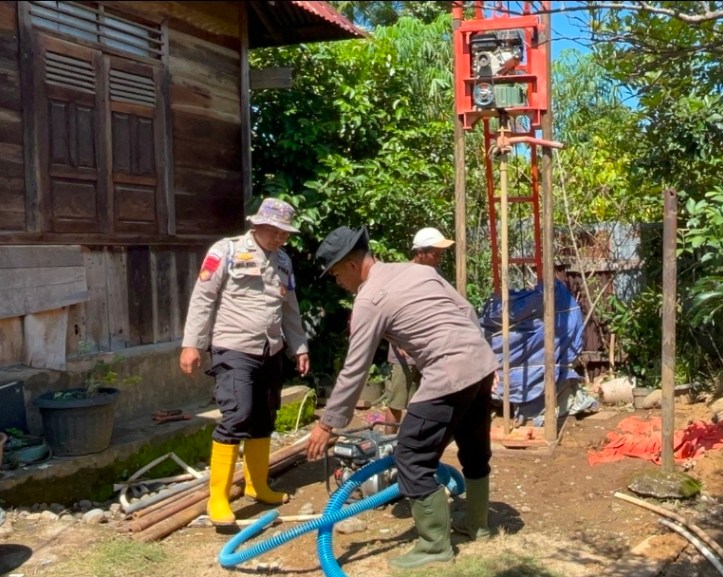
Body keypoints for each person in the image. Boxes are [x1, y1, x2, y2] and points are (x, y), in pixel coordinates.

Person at [306, 226, 497, 570]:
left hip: (449, 372)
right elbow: (467, 311)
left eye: (335, 275)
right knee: (473, 446)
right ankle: (478, 525)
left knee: (411, 455)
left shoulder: (368, 298)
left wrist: (327, 423)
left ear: (351, 264)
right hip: (481, 364)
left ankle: (435, 546)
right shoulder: (416, 271)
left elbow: (355, 368)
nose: (338, 283)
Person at [180, 197, 310, 526]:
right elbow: (203, 298)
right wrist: (191, 344)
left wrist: (300, 346)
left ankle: (258, 485)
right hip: (233, 347)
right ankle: (218, 499)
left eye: (286, 234)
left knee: (264, 418)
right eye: (277, 231)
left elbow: (290, 308)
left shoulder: (284, 262)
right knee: (237, 415)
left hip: (271, 350)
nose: (281, 238)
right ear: (259, 225)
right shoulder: (226, 251)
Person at [383, 227, 456, 426]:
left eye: (441, 254)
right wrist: (397, 342)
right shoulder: (401, 276)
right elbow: (387, 311)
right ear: (421, 253)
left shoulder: (435, 275)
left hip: (429, 350)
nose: (439, 258)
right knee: (397, 402)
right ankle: (388, 448)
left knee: (425, 402)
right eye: (435, 254)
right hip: (403, 351)